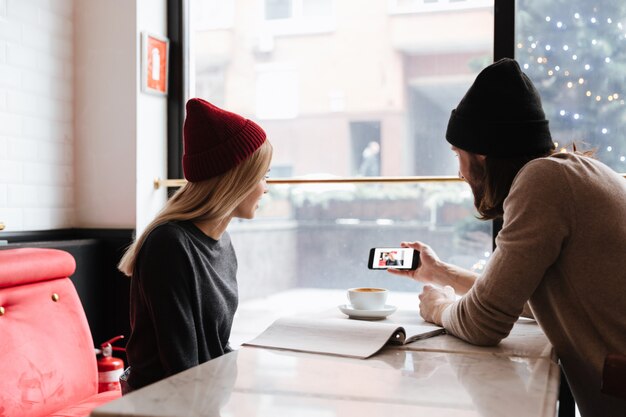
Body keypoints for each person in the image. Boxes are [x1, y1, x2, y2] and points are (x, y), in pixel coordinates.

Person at [388, 58, 626, 416]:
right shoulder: (578, 173)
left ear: (483, 155)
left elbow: (483, 323)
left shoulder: (543, 182)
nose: (459, 172)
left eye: (459, 155)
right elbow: (527, 300)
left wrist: (438, 308)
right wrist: (442, 273)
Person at [117, 98, 272, 393]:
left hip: (204, 394)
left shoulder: (222, 241)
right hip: (165, 405)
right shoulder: (169, 246)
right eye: (263, 176)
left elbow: (217, 346)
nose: (267, 187)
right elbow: (181, 367)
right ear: (236, 180)